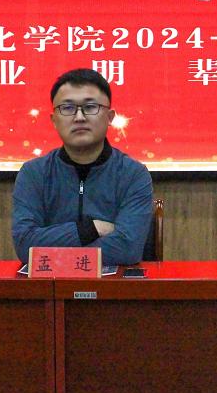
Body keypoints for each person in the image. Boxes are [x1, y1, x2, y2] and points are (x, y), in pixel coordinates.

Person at [12, 68, 153, 266]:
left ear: (110, 117)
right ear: (54, 120)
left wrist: (51, 251)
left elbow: (128, 249)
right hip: (50, 284)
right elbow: (25, 245)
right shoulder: (34, 173)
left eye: (90, 107)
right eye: (67, 108)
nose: (79, 117)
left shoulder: (133, 174)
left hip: (112, 285)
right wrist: (91, 229)